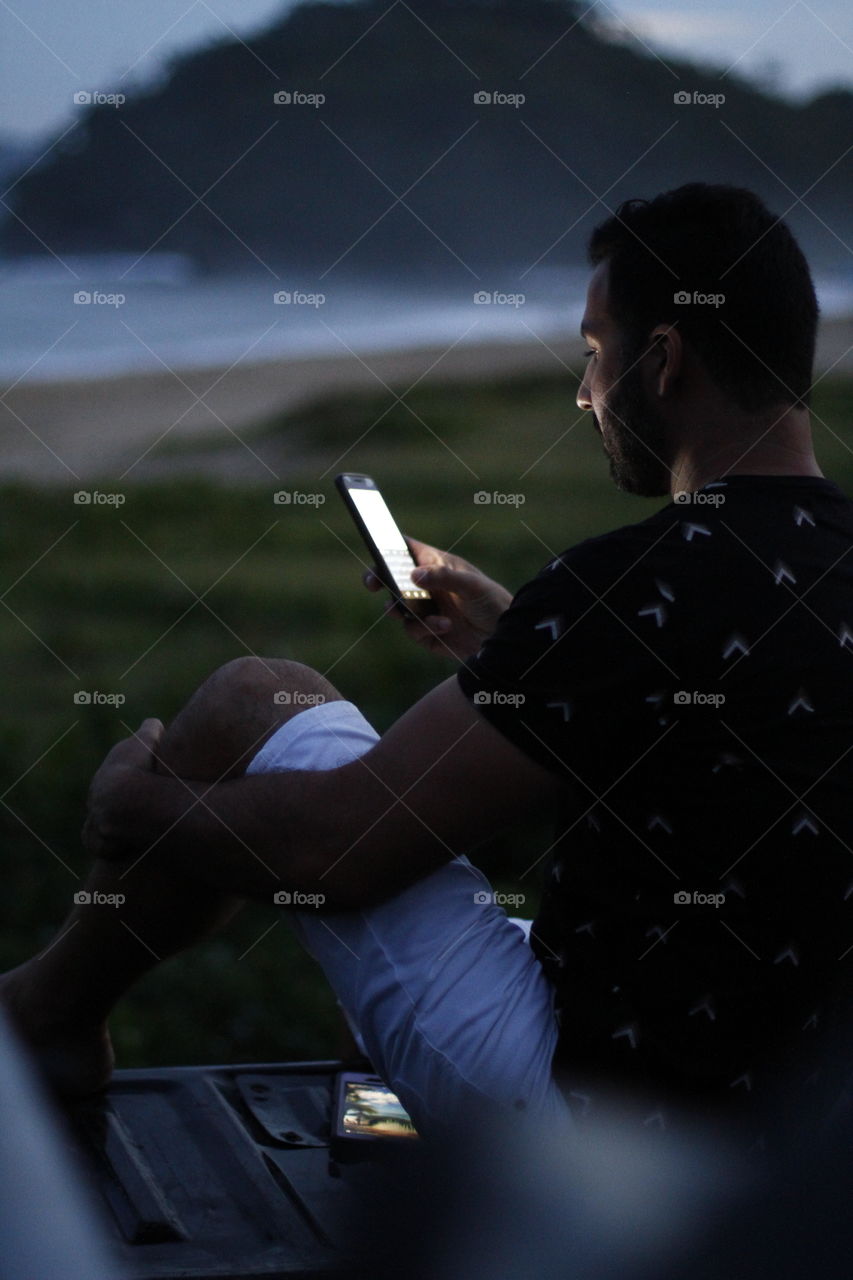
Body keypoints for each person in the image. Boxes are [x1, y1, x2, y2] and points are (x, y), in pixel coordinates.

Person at [2, 183, 851, 1146]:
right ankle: (384, 1147)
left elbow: (337, 853)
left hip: (605, 1117)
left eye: (592, 354)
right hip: (795, 1113)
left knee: (258, 699)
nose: (583, 393)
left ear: (662, 361)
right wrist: (519, 640)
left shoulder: (636, 583)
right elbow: (732, 732)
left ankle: (49, 1015)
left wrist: (137, 809)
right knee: (444, 918)